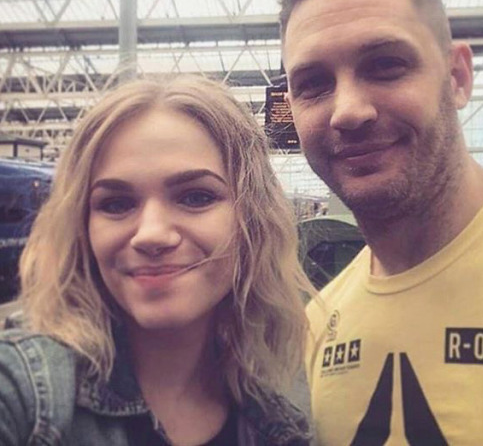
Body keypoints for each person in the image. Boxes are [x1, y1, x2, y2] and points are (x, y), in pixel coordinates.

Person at [280, 0, 483, 445]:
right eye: (314, 84)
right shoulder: (319, 325)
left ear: (457, 77)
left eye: (386, 65)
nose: (348, 110)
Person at [0, 76, 313, 445]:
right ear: (81, 228)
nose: (150, 234)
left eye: (196, 197)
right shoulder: (23, 394)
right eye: (116, 204)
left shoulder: (280, 429)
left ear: (253, 221)